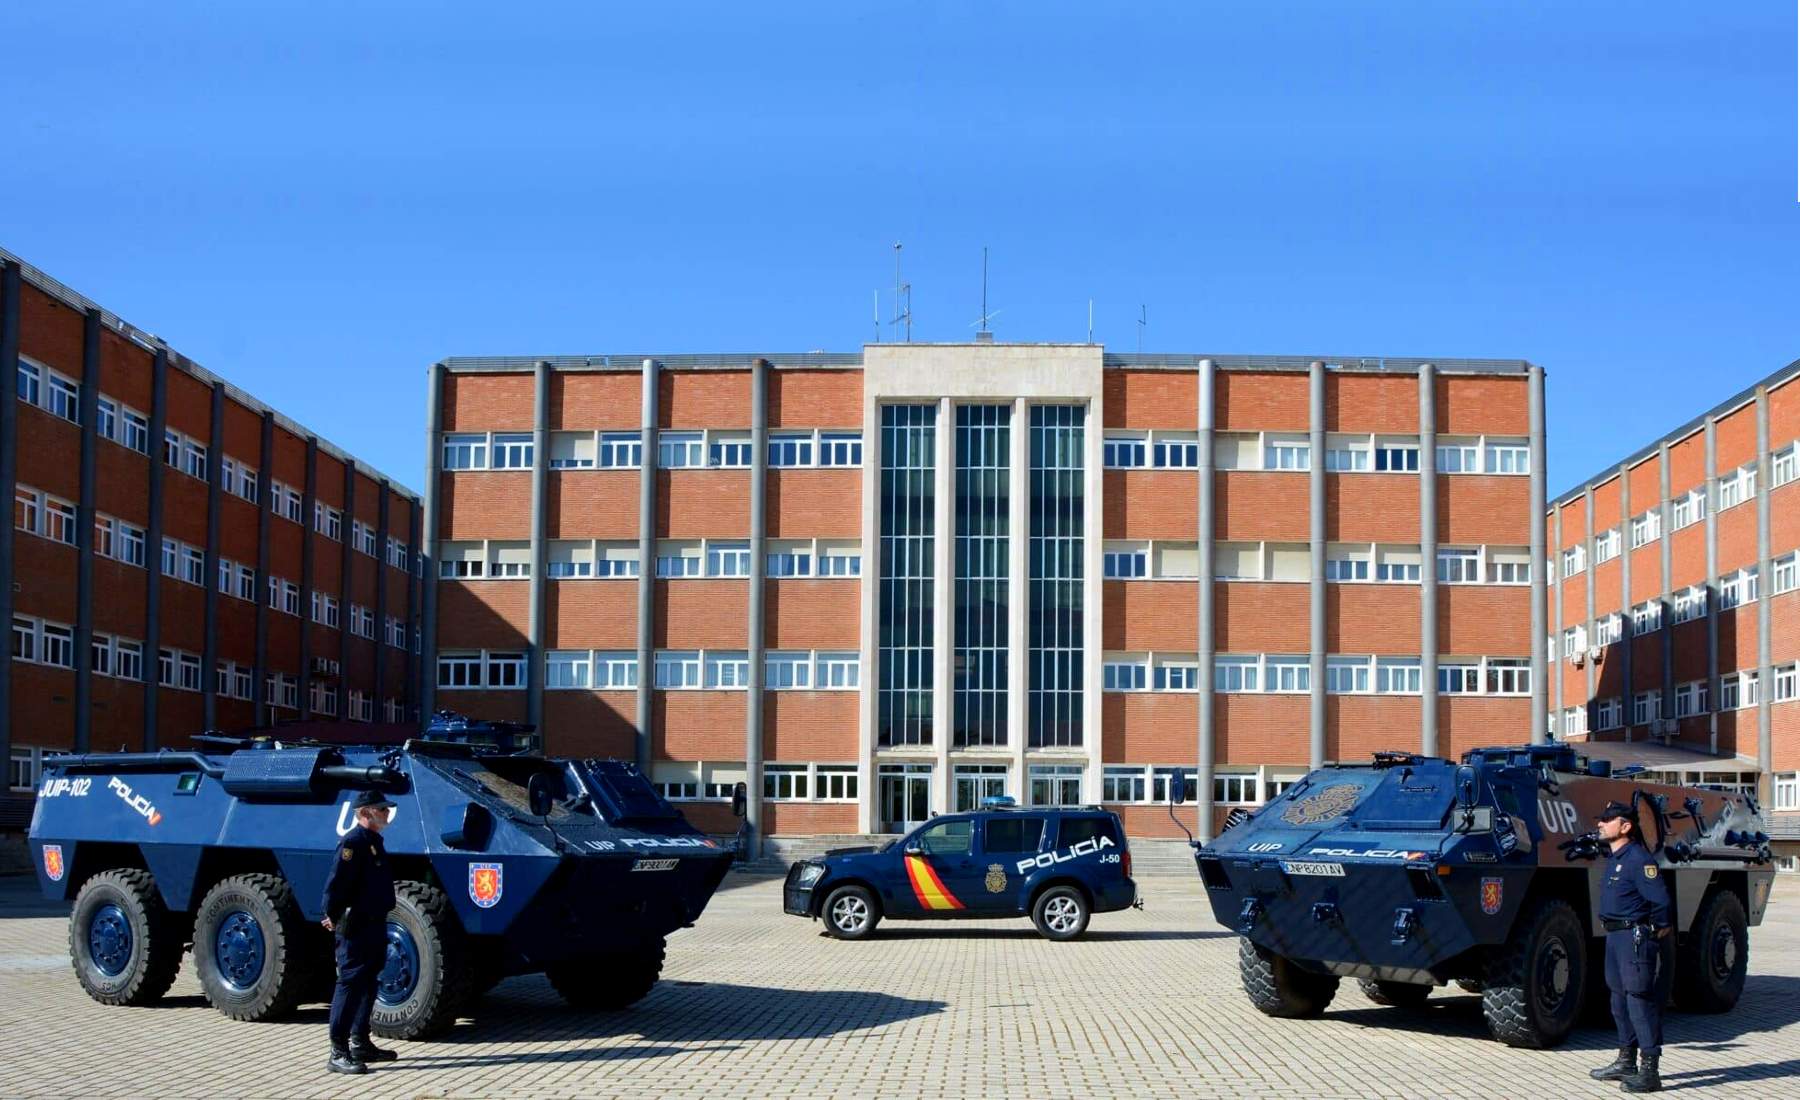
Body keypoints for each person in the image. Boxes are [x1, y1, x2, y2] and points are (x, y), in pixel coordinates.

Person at [1588, 800, 1671, 1093]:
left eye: (1607, 819)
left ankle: (1650, 1071)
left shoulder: (1638, 859)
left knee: (1639, 999)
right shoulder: (1616, 857)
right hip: (1615, 936)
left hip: (1634, 937)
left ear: (1625, 826)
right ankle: (1626, 1061)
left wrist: (1654, 931)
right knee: (1619, 999)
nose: (1600, 823)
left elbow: (1660, 901)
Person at [321, 789, 400, 1075]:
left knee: (368, 982)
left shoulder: (373, 842)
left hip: (374, 923)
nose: (387, 813)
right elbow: (336, 883)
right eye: (382, 809)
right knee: (350, 982)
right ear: (366, 812)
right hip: (355, 926)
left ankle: (360, 1042)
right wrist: (331, 915)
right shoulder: (352, 843)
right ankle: (338, 1051)